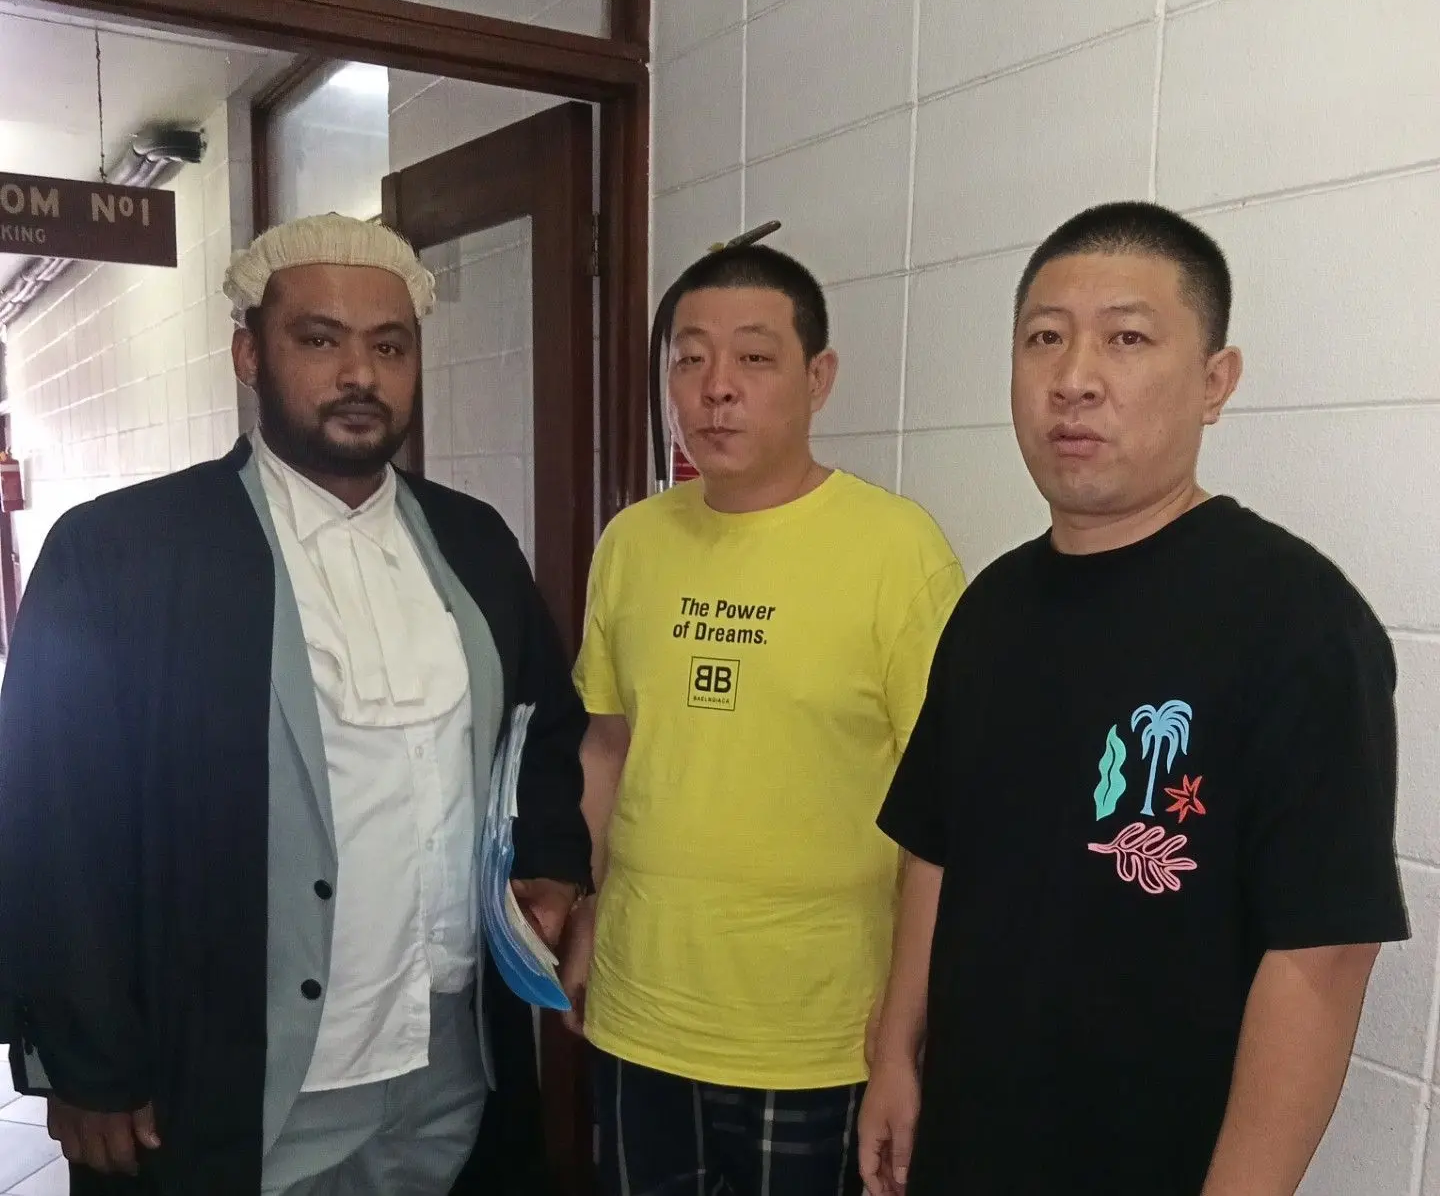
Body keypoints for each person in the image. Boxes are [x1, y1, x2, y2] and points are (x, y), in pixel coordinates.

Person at [0, 215, 590, 1196]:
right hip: (229, 1073)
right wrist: (82, 1058)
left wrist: (552, 866)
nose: (359, 374)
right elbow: (49, 821)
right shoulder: (121, 552)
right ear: (249, 356)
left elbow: (543, 734)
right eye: (320, 339)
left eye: (389, 346)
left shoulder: (474, 542)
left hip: (446, 1065)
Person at [858, 201, 1409, 1196]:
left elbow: (1324, 953)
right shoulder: (991, 605)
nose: (1074, 377)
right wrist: (894, 1049)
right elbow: (935, 845)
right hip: (968, 1143)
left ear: (1214, 382)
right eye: (1045, 338)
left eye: (1126, 338)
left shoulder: (1295, 619)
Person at [562, 242, 965, 1196]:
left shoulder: (898, 550)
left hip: (820, 1032)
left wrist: (902, 1039)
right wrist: (582, 908)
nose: (716, 388)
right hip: (641, 1010)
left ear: (818, 378)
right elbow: (608, 745)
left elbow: (944, 818)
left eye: (753, 356)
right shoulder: (631, 541)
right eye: (690, 359)